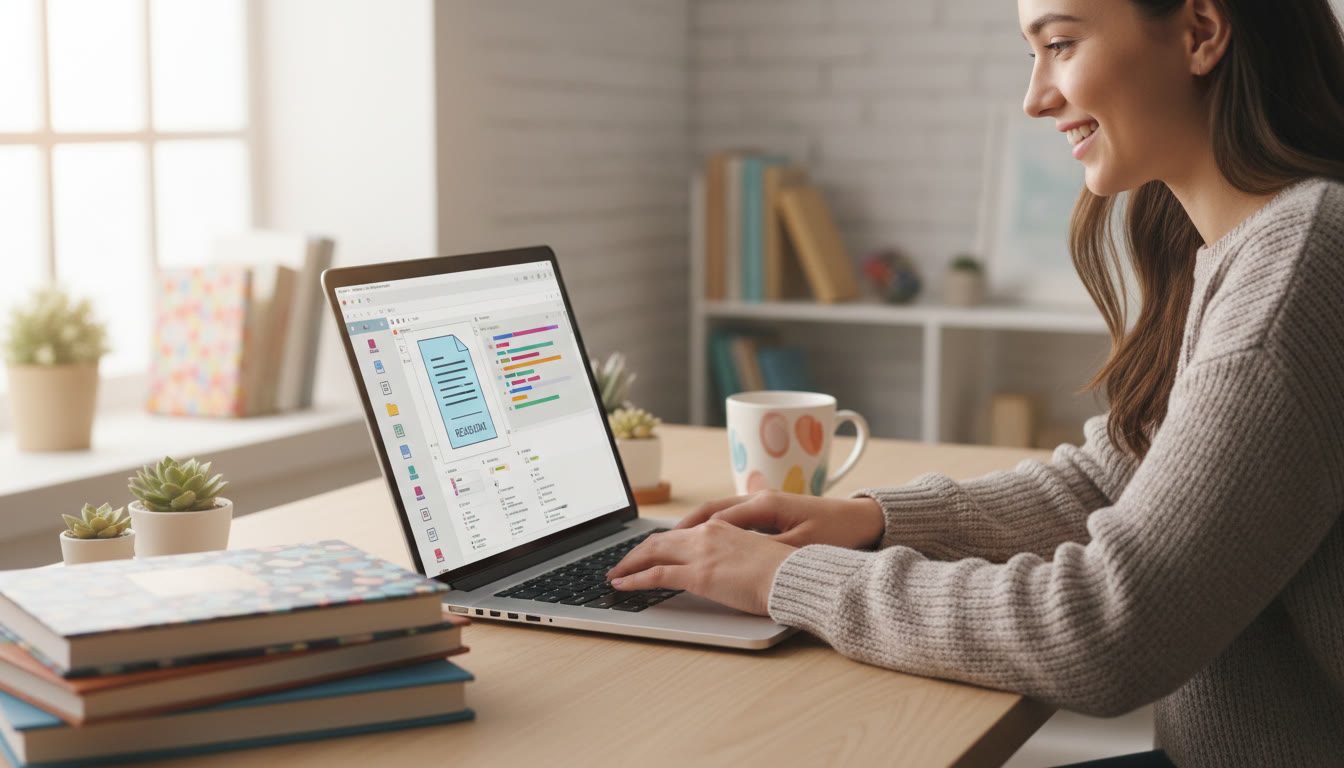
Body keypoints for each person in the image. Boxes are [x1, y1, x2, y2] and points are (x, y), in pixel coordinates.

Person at [606, 0, 1344, 765]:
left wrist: (788, 578)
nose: (1036, 96)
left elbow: (1104, 630)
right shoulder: (1249, 244)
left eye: (1059, 43)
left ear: (1201, 32)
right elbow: (1115, 479)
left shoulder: (1301, 264)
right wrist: (871, 521)